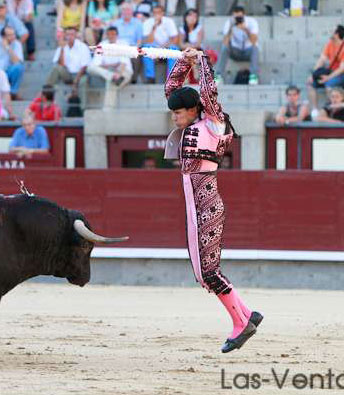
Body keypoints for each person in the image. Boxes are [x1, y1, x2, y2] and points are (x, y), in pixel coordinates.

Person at [163, 47, 262, 353]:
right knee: (204, 272)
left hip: (205, 204)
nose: (176, 117)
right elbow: (172, 89)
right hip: (196, 205)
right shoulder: (194, 123)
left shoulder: (213, 123)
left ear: (194, 109)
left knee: (207, 272)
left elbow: (208, 91)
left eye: (180, 112)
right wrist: (184, 61)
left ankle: (240, 323)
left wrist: (202, 60)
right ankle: (247, 314)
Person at [307, 25, 344, 112]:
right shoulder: (329, 44)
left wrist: (328, 78)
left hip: (343, 75)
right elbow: (322, 60)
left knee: (329, 84)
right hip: (331, 73)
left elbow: (342, 68)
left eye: (332, 30)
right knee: (311, 84)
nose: (329, 31)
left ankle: (333, 110)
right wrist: (312, 75)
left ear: (337, 34)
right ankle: (315, 110)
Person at [87, 26, 132, 108]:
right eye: (109, 34)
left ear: (117, 35)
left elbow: (123, 63)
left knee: (112, 82)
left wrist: (118, 74)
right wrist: (112, 68)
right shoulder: (102, 44)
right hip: (108, 72)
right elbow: (95, 64)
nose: (111, 36)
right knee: (90, 68)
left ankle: (107, 111)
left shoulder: (123, 44)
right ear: (106, 35)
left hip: (124, 71)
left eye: (113, 34)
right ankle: (111, 76)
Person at [217, 5, 259, 85]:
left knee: (255, 48)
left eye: (240, 17)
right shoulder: (229, 22)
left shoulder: (251, 22)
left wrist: (246, 29)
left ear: (244, 15)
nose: (238, 20)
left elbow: (254, 41)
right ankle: (219, 75)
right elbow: (225, 43)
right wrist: (231, 28)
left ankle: (253, 75)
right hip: (235, 51)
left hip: (248, 51)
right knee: (224, 48)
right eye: (236, 17)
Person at [141, 5, 179, 84]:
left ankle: (171, 77)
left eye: (159, 12)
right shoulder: (148, 22)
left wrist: (163, 47)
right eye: (154, 12)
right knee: (145, 48)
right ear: (152, 13)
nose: (157, 14)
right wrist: (154, 27)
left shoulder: (169, 21)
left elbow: (175, 39)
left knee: (174, 48)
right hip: (153, 47)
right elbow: (148, 41)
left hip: (166, 47)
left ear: (163, 13)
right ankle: (150, 77)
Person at [46, 27, 91, 92]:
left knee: (83, 80)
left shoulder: (83, 47)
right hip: (67, 74)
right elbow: (61, 65)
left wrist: (76, 80)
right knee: (56, 69)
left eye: (72, 34)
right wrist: (62, 49)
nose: (69, 37)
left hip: (79, 74)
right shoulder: (62, 46)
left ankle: (46, 93)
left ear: (76, 35)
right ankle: (47, 92)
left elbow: (84, 66)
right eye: (67, 34)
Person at [113, 2, 143, 83]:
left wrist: (134, 49)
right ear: (121, 12)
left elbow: (139, 41)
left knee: (136, 54)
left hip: (131, 47)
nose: (126, 12)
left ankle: (133, 79)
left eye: (128, 9)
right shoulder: (116, 23)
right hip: (118, 48)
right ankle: (119, 77)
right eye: (123, 10)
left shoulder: (138, 23)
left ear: (132, 11)